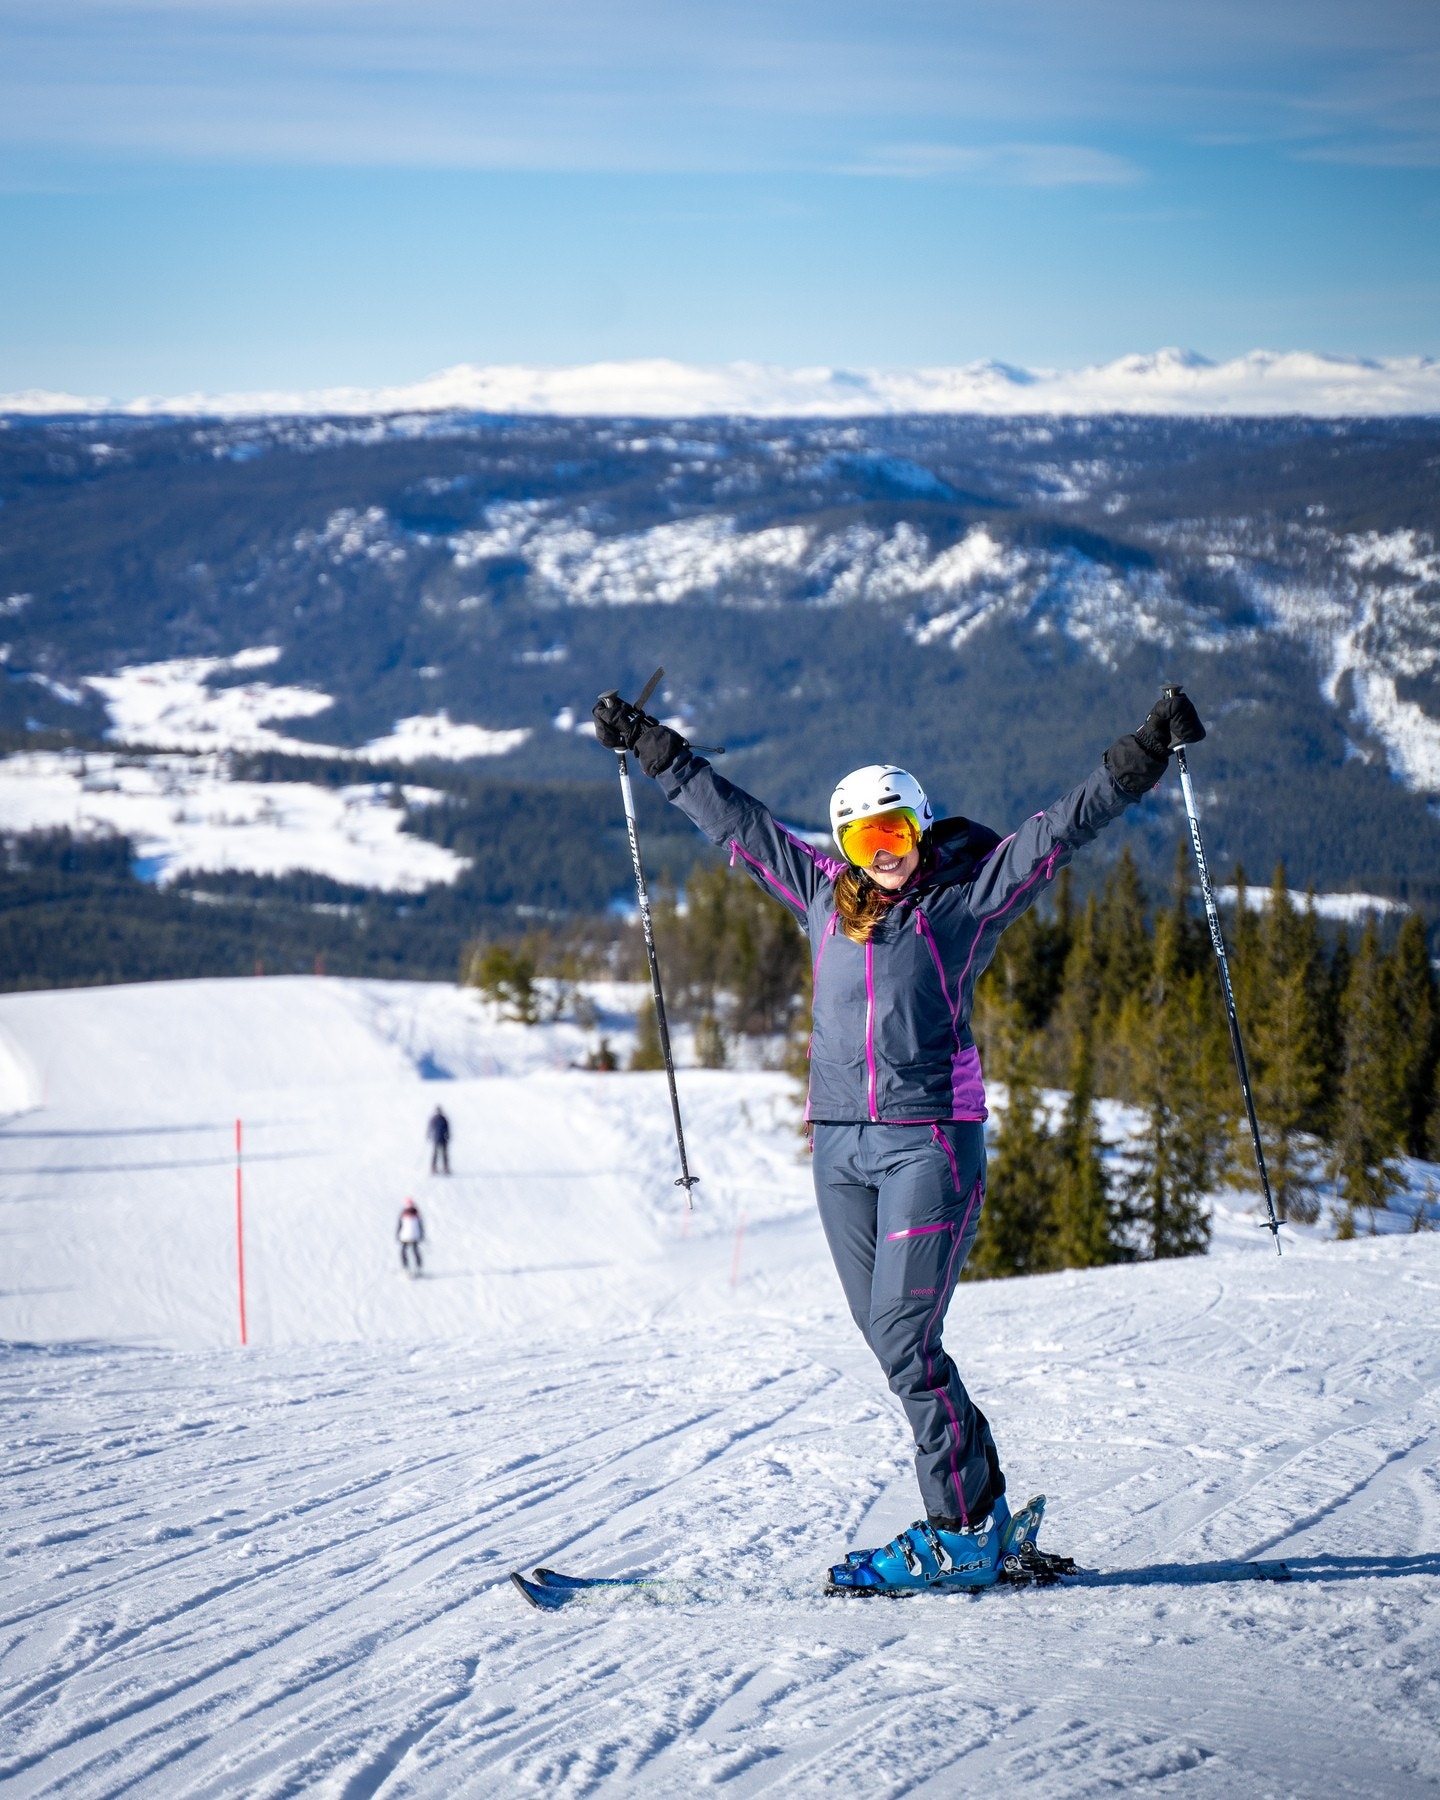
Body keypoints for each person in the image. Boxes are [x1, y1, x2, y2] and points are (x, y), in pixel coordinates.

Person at [593, 683, 1205, 1593]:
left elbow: (1057, 831)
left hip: (931, 1144)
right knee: (894, 1345)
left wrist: (1143, 753)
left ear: (920, 828)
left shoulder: (963, 907)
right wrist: (652, 747)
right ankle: (983, 1509)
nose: (884, 853)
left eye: (897, 833)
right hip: (839, 1150)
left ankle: (958, 1528)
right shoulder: (817, 899)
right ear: (844, 848)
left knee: (906, 1338)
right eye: (864, 840)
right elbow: (739, 822)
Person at [396, 1197, 425, 1273]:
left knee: (403, 1251)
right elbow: (420, 1225)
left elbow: (400, 1225)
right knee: (415, 1251)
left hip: (405, 1236)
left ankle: (405, 1267)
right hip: (415, 1235)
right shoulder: (417, 1213)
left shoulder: (403, 1214)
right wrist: (421, 1234)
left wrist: (397, 1234)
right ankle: (419, 1267)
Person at [427, 1105, 451, 1175]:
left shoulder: (444, 1119)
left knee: (444, 1154)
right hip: (436, 1138)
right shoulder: (434, 1119)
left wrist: (448, 1135)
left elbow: (447, 1128)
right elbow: (430, 1128)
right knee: (435, 1154)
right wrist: (428, 1135)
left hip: (443, 1138)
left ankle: (446, 1168)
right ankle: (433, 1168)